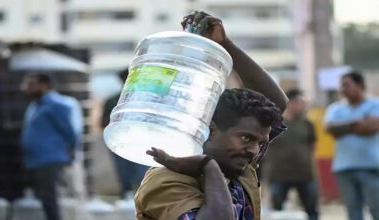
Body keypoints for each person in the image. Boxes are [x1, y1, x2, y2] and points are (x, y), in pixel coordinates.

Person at [134, 11, 287, 220]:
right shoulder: (166, 181)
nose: (253, 151)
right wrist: (208, 166)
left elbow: (275, 104)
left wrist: (225, 45)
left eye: (260, 143)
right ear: (211, 129)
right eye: (246, 138)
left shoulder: (235, 165)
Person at [21, 73, 77, 220]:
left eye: (31, 84)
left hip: (51, 159)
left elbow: (69, 131)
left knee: (51, 200)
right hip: (38, 160)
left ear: (44, 85)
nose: (27, 88)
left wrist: (71, 150)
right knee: (46, 200)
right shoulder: (36, 105)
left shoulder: (55, 104)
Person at [325, 71, 379, 220]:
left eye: (347, 85)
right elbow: (330, 129)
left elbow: (373, 127)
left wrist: (343, 128)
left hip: (371, 167)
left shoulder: (376, 104)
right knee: (353, 212)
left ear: (360, 85)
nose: (343, 89)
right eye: (341, 85)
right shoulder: (335, 109)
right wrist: (357, 122)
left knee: (376, 209)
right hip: (344, 168)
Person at [265, 89, 319, 220]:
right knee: (276, 212)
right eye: (299, 102)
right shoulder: (276, 124)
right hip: (279, 174)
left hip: (305, 174)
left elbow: (313, 146)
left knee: (311, 210)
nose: (302, 106)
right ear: (290, 103)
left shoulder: (307, 124)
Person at [102, 69, 148, 199]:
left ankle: (131, 196)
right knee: (136, 175)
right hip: (129, 143)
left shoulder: (113, 100)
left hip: (125, 142)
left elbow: (104, 123)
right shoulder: (144, 99)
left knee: (128, 174)